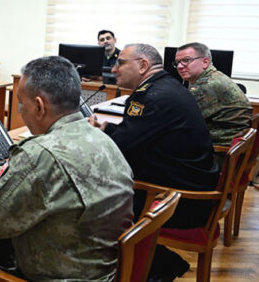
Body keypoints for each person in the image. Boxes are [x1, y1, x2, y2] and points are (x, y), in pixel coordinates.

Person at [0, 56, 133, 281]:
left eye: (21, 102)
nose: (20, 109)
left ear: (40, 106)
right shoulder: (99, 137)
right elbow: (52, 181)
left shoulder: (40, 153)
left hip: (58, 275)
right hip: (99, 270)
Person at [89, 43, 219, 280]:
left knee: (91, 200)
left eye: (121, 63)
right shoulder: (166, 87)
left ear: (143, 65)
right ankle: (156, 263)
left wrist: (97, 134)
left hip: (181, 202)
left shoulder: (151, 97)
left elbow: (119, 150)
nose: (114, 69)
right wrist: (109, 129)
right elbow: (142, 134)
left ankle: (148, 266)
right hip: (190, 188)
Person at [175, 42, 251, 146]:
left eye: (186, 60)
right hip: (231, 140)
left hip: (219, 148)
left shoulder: (205, 86)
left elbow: (179, 119)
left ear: (205, 62)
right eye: (177, 62)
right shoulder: (215, 76)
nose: (179, 66)